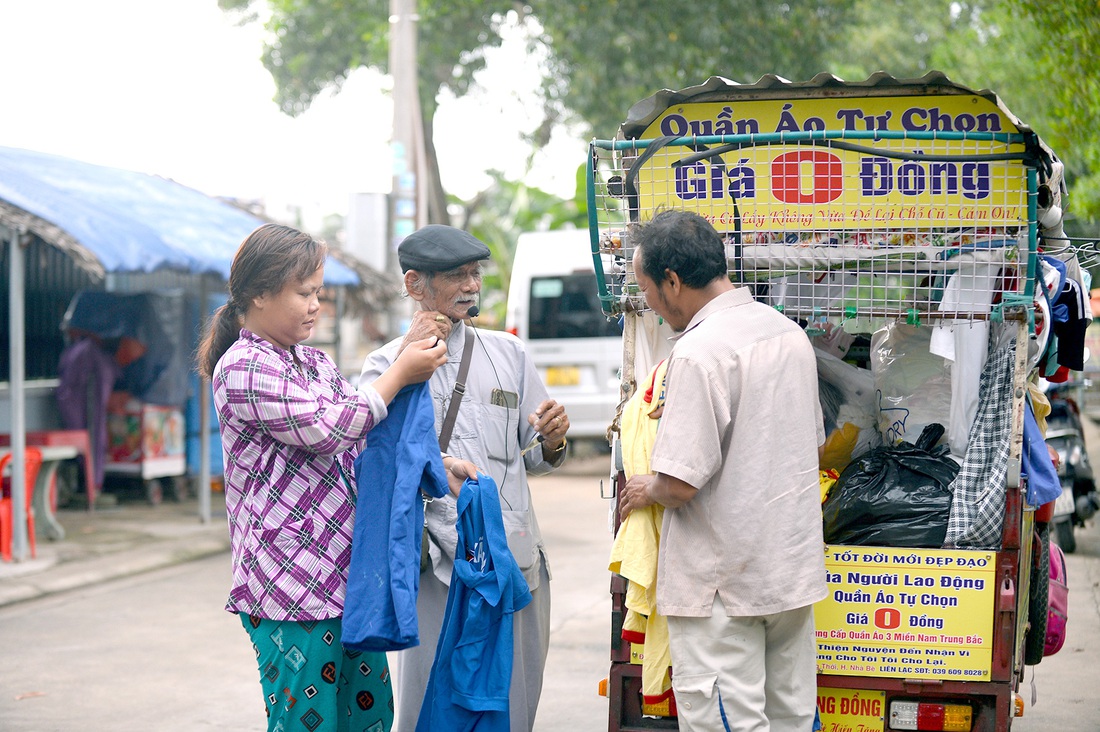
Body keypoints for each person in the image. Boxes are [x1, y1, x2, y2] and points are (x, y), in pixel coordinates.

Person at [197, 223, 448, 732]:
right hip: (288, 587)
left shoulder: (314, 362)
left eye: (319, 293)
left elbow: (359, 445)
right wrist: (398, 372)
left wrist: (438, 468)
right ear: (260, 294)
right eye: (304, 293)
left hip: (346, 579)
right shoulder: (242, 367)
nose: (316, 304)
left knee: (372, 718)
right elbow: (327, 428)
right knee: (306, 724)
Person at [616, 209, 827, 732]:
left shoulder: (698, 352)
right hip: (788, 575)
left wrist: (645, 487)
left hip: (722, 590)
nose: (649, 304)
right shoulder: (788, 334)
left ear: (672, 281)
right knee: (792, 720)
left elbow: (681, 483)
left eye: (647, 290)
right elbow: (810, 443)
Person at [360, 224, 571, 731]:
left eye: (475, 273)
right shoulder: (384, 365)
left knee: (514, 705)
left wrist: (553, 439)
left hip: (512, 561)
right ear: (415, 285)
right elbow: (371, 459)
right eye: (456, 275)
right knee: (429, 706)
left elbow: (535, 455)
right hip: (436, 567)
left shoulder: (508, 354)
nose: (471, 285)